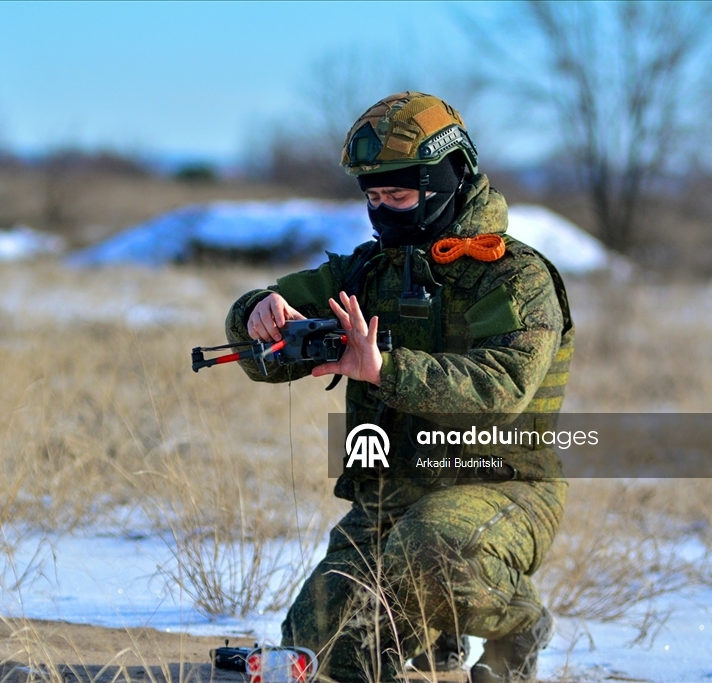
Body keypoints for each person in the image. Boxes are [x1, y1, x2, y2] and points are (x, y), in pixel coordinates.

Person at [224, 93, 573, 683]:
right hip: (393, 497)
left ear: (449, 179)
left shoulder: (515, 276)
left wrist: (384, 368)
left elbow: (501, 387)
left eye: (401, 196)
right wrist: (257, 312)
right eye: (374, 198)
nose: (385, 212)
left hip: (505, 489)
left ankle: (519, 630)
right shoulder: (366, 273)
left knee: (432, 549)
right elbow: (260, 346)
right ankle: (434, 637)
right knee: (324, 648)